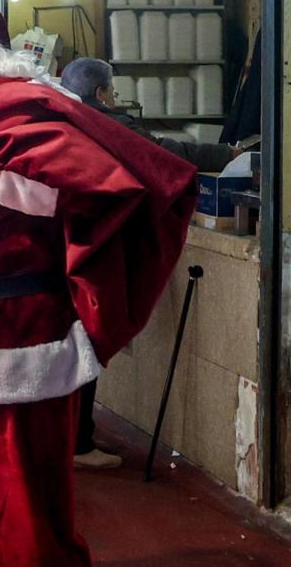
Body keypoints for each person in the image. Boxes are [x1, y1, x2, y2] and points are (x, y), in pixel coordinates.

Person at [0, 0, 199, 567]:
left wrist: (19, 185)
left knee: (24, 546)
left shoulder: (4, 123)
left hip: (9, 361)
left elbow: (105, 190)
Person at [59, 57, 242, 470]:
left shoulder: (58, 119)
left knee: (67, 346)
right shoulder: (107, 123)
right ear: (103, 93)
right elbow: (165, 152)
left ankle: (65, 437)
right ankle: (78, 443)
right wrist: (229, 153)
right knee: (89, 339)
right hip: (95, 250)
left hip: (58, 247)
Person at [61, 57, 241, 173]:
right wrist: (225, 154)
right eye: (112, 92)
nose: (114, 99)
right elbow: (162, 153)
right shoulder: (110, 126)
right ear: (99, 94)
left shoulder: (62, 120)